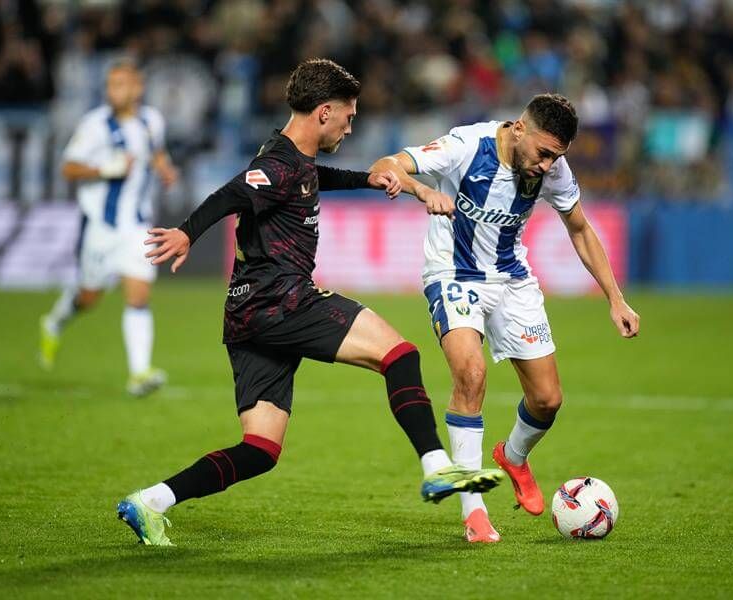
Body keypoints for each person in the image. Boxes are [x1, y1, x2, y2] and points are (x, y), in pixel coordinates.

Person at [116, 58, 503, 546]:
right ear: (324, 112)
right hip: (282, 299)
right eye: (348, 115)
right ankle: (437, 466)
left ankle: (150, 501)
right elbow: (234, 192)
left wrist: (368, 180)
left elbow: (314, 177)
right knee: (400, 356)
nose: (350, 123)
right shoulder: (275, 164)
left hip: (246, 315)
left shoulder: (290, 158)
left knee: (260, 448)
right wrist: (188, 233)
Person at [369, 93, 640, 543]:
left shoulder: (551, 169)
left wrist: (615, 298)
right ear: (519, 128)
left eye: (558, 157)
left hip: (512, 279)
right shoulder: (465, 146)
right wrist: (421, 189)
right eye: (544, 153)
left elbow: (579, 227)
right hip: (453, 273)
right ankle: (473, 511)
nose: (549, 165)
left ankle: (513, 456)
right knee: (470, 375)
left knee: (548, 400)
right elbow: (387, 163)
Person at [39, 60, 178, 396]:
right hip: (102, 227)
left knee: (139, 295)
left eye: (121, 84)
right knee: (89, 296)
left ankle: (139, 374)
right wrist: (106, 168)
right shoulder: (95, 125)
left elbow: (156, 151)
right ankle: (54, 321)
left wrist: (165, 169)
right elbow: (69, 168)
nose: (114, 91)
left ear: (137, 89)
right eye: (111, 84)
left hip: (139, 226)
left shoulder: (151, 120)